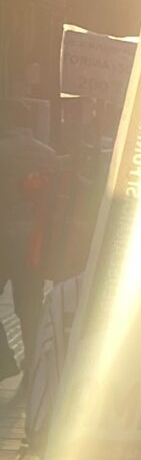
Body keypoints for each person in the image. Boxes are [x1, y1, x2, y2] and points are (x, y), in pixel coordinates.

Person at [0, 102, 60, 368]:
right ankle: (35, 364)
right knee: (30, 306)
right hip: (33, 241)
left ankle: (4, 358)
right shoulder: (48, 155)